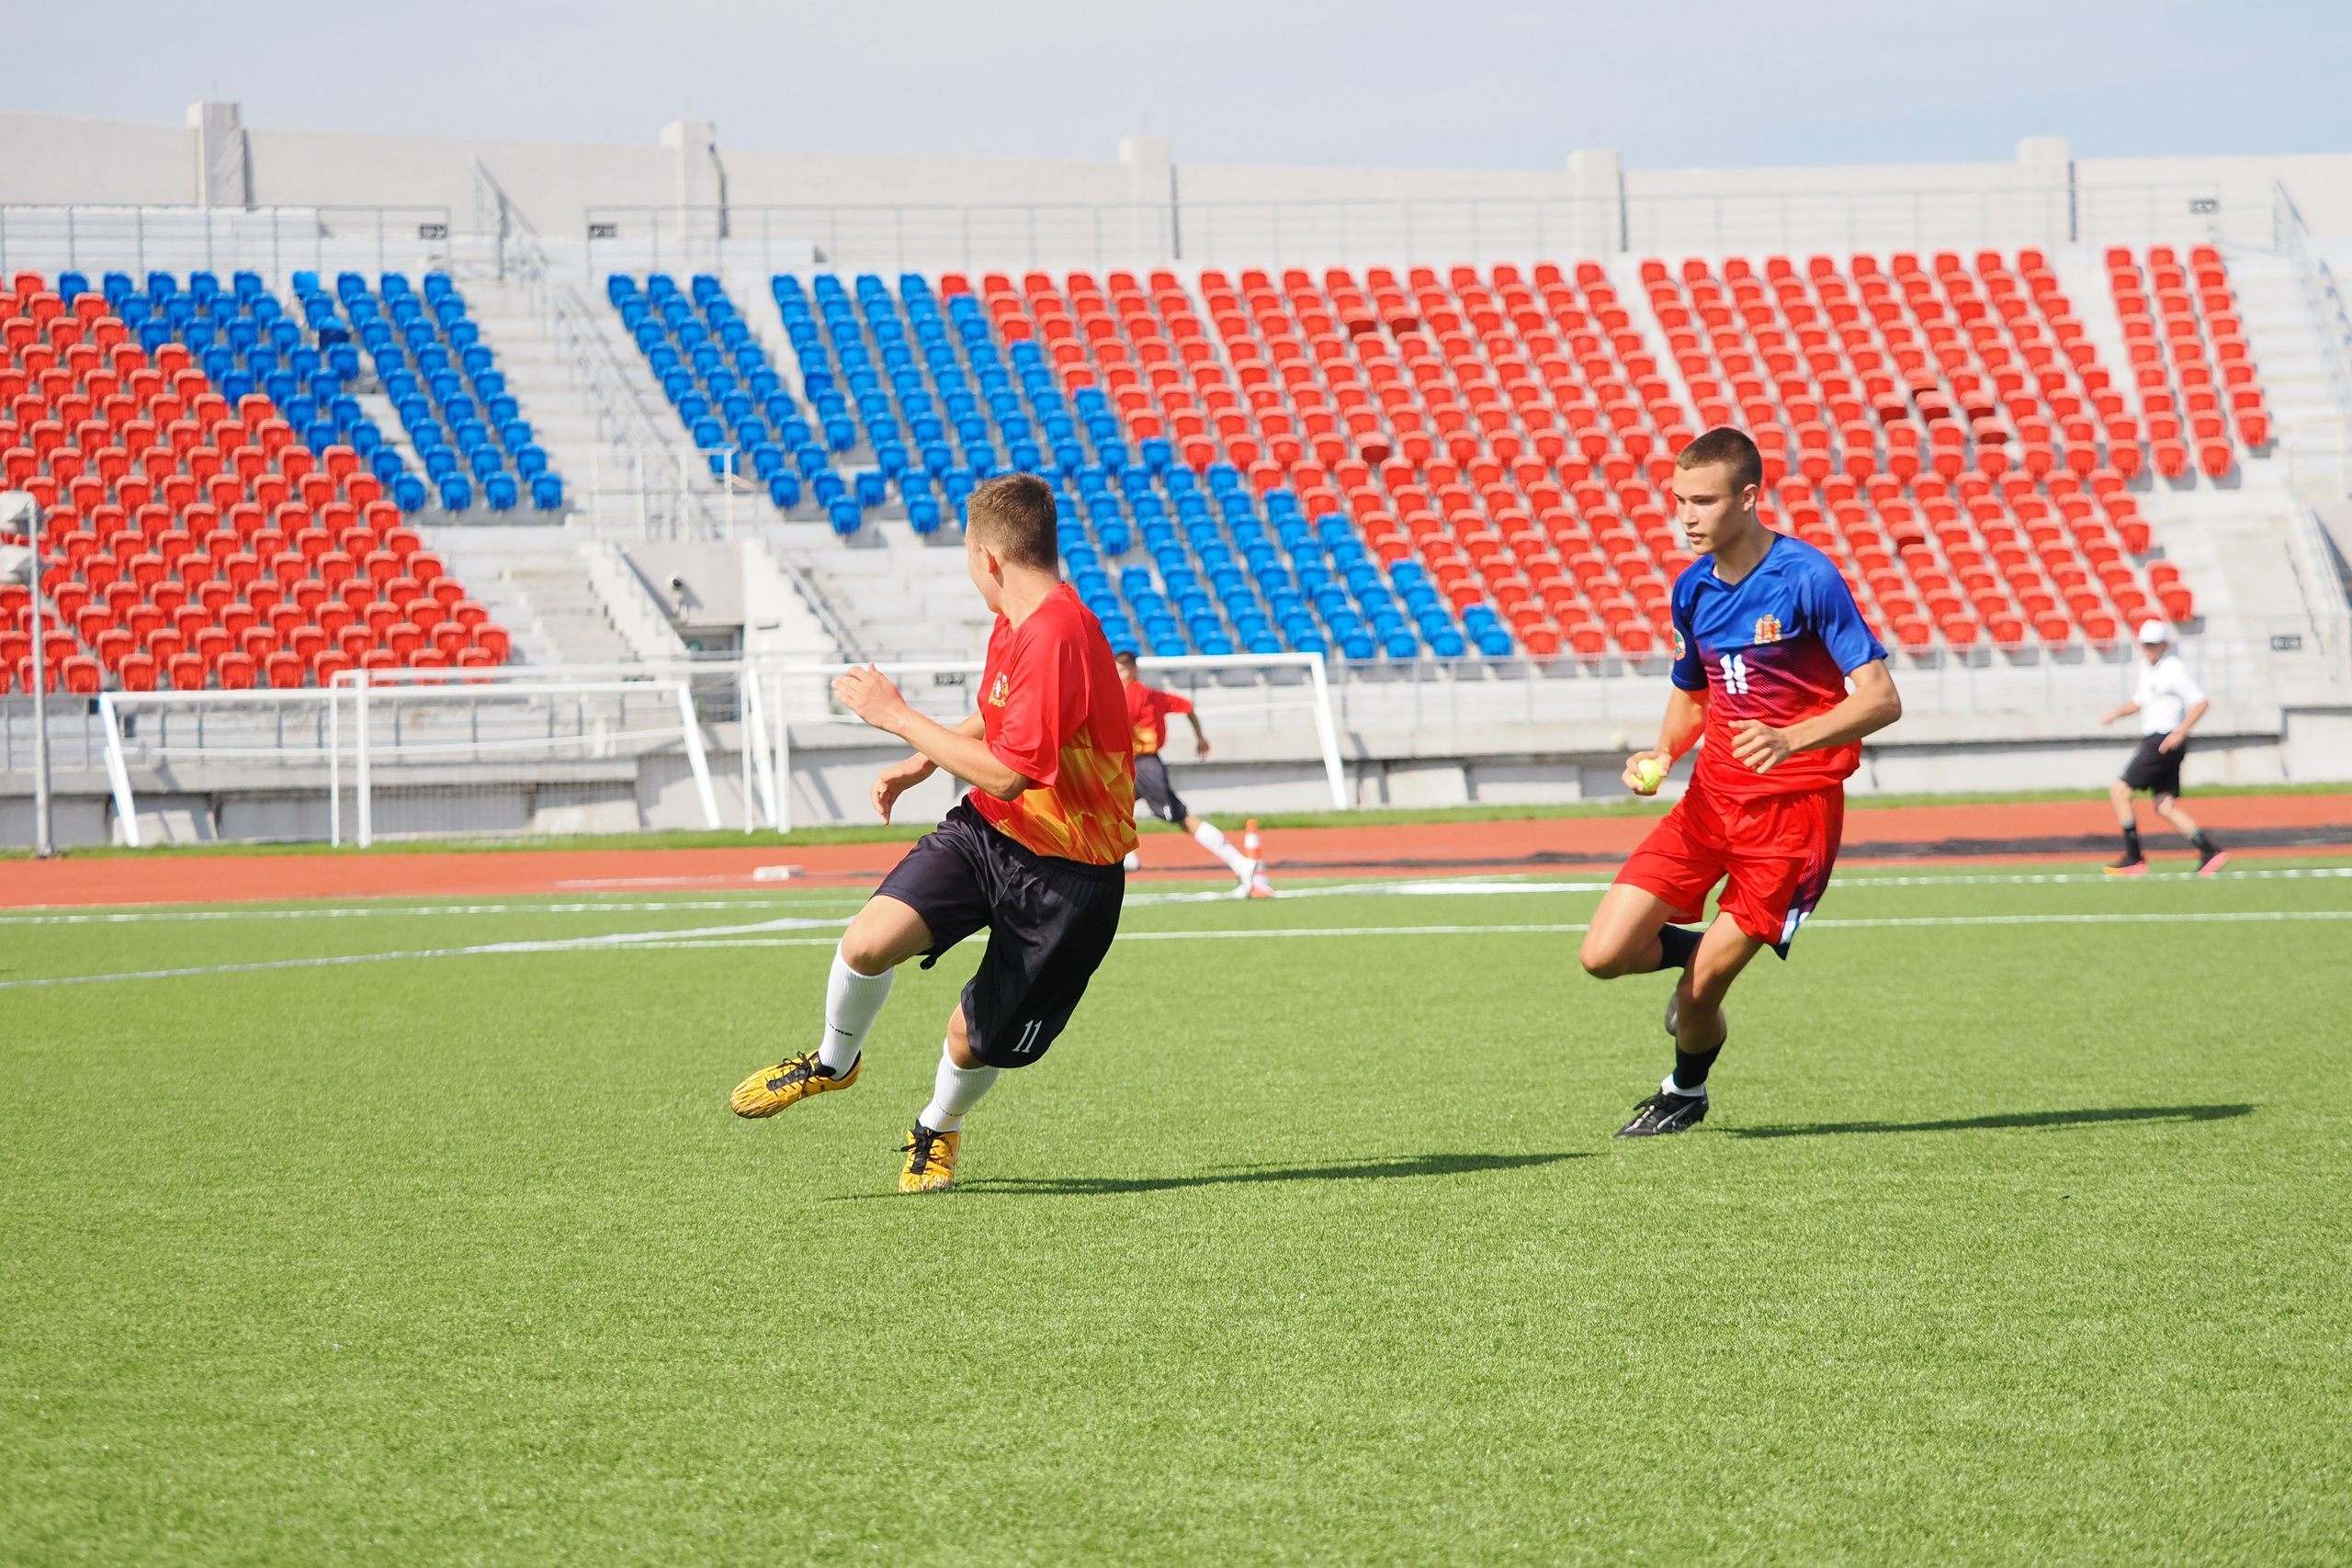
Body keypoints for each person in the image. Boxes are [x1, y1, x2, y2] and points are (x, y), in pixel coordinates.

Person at [728, 473, 1138, 1192]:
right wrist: (921, 760)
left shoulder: (1057, 633)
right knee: (865, 942)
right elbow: (1002, 713)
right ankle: (833, 1061)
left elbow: (1013, 772)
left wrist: (896, 715)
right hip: (989, 834)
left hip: (1069, 877)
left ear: (988, 558)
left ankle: (937, 1127)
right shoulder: (1019, 619)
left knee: (970, 1039)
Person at [1577, 427, 1904, 1138]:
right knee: (1601, 954)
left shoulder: (1806, 577)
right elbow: (1693, 691)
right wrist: (1661, 754)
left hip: (1791, 822)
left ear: (1749, 497)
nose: (1687, 516)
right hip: (1707, 806)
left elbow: (1881, 699)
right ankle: (1712, 947)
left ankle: (1685, 1089)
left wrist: (1791, 738)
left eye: (1703, 500)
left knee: (1695, 1001)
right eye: (1678, 501)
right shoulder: (1691, 587)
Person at [1112, 649, 1271, 897]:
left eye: (1121, 670)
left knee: (1181, 817)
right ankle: (1126, 858)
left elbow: (1119, 724)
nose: (1117, 675)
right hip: (1130, 766)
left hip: (1143, 766)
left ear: (1133, 670)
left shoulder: (1133, 694)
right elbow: (1187, 707)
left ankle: (1241, 863)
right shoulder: (1153, 695)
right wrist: (1200, 737)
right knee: (1110, 811)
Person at [2099, 620, 2227, 876]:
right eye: (2146, 644)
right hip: (2157, 740)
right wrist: (2116, 714)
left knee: (2120, 791)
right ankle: (2209, 850)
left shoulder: (2174, 669)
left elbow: (2200, 702)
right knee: (2164, 806)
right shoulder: (2146, 668)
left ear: (2165, 644)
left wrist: (2180, 731)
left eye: (2154, 644)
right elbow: (2139, 700)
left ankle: (2135, 858)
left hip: (2163, 742)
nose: (2149, 649)